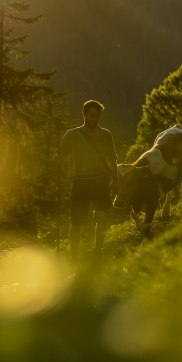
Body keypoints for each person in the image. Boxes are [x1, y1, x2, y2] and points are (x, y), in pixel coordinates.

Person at [60, 100, 117, 263]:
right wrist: (59, 160)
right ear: (84, 114)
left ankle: (98, 250)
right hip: (80, 182)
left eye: (97, 116)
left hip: (101, 181)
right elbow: (61, 155)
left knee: (102, 218)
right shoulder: (72, 135)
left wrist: (116, 180)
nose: (95, 119)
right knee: (77, 223)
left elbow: (112, 158)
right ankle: (74, 256)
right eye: (92, 115)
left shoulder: (106, 135)